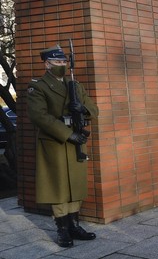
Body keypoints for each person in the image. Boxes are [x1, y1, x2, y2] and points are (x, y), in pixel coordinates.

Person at [26, 45, 99, 248]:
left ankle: (74, 225)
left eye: (64, 62)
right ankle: (62, 229)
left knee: (75, 183)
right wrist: (68, 135)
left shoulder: (74, 85)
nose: (62, 65)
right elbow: (39, 116)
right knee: (57, 186)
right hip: (56, 142)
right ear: (47, 64)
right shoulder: (38, 86)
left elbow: (94, 109)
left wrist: (82, 109)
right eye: (57, 62)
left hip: (76, 141)